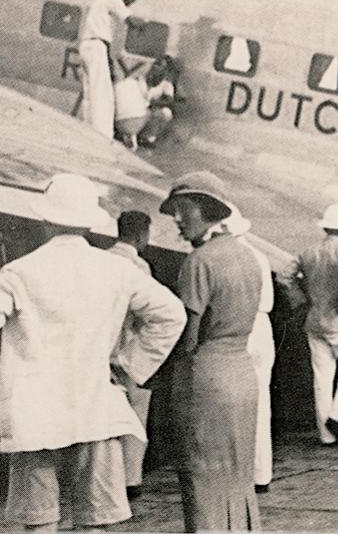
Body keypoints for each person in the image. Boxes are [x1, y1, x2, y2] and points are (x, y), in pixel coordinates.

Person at [0, 173, 181, 530]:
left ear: (46, 220)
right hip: (94, 403)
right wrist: (129, 365)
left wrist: (1, 386)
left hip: (34, 409)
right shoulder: (117, 269)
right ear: (89, 222)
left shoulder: (20, 272)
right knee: (95, 519)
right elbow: (170, 314)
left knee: (40, 521)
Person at [160, 172, 262, 531]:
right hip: (243, 376)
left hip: (204, 379)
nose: (177, 218)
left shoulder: (199, 262)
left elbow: (188, 338)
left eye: (183, 209)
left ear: (207, 209)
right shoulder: (249, 256)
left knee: (201, 476)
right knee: (237, 476)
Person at [108, 210, 186, 503]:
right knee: (135, 416)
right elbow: (150, 313)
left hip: (103, 349)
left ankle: (109, 479)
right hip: (129, 349)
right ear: (143, 235)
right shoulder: (138, 266)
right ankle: (131, 479)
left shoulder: (102, 259)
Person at [290, 203, 338, 446]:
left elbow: (285, 277)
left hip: (315, 320)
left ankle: (326, 435)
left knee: (322, 377)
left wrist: (303, 300)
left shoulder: (308, 252)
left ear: (325, 227)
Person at [225, 210, 276, 494]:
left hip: (236, 327)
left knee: (230, 402)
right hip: (261, 326)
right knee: (260, 402)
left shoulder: (221, 257)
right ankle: (260, 473)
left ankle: (235, 471)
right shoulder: (259, 256)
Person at [78, 0, 144, 136]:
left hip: (88, 45)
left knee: (90, 89)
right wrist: (144, 25)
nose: (131, 3)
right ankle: (102, 132)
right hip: (96, 46)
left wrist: (109, 62)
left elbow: (105, 41)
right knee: (102, 92)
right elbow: (132, 22)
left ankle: (88, 124)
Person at [137, 56, 178, 149]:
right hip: (136, 107)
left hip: (149, 112)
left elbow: (169, 100)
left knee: (166, 113)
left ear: (165, 70)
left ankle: (146, 138)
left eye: (159, 65)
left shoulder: (166, 84)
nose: (155, 67)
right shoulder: (142, 77)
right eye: (155, 63)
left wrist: (155, 103)